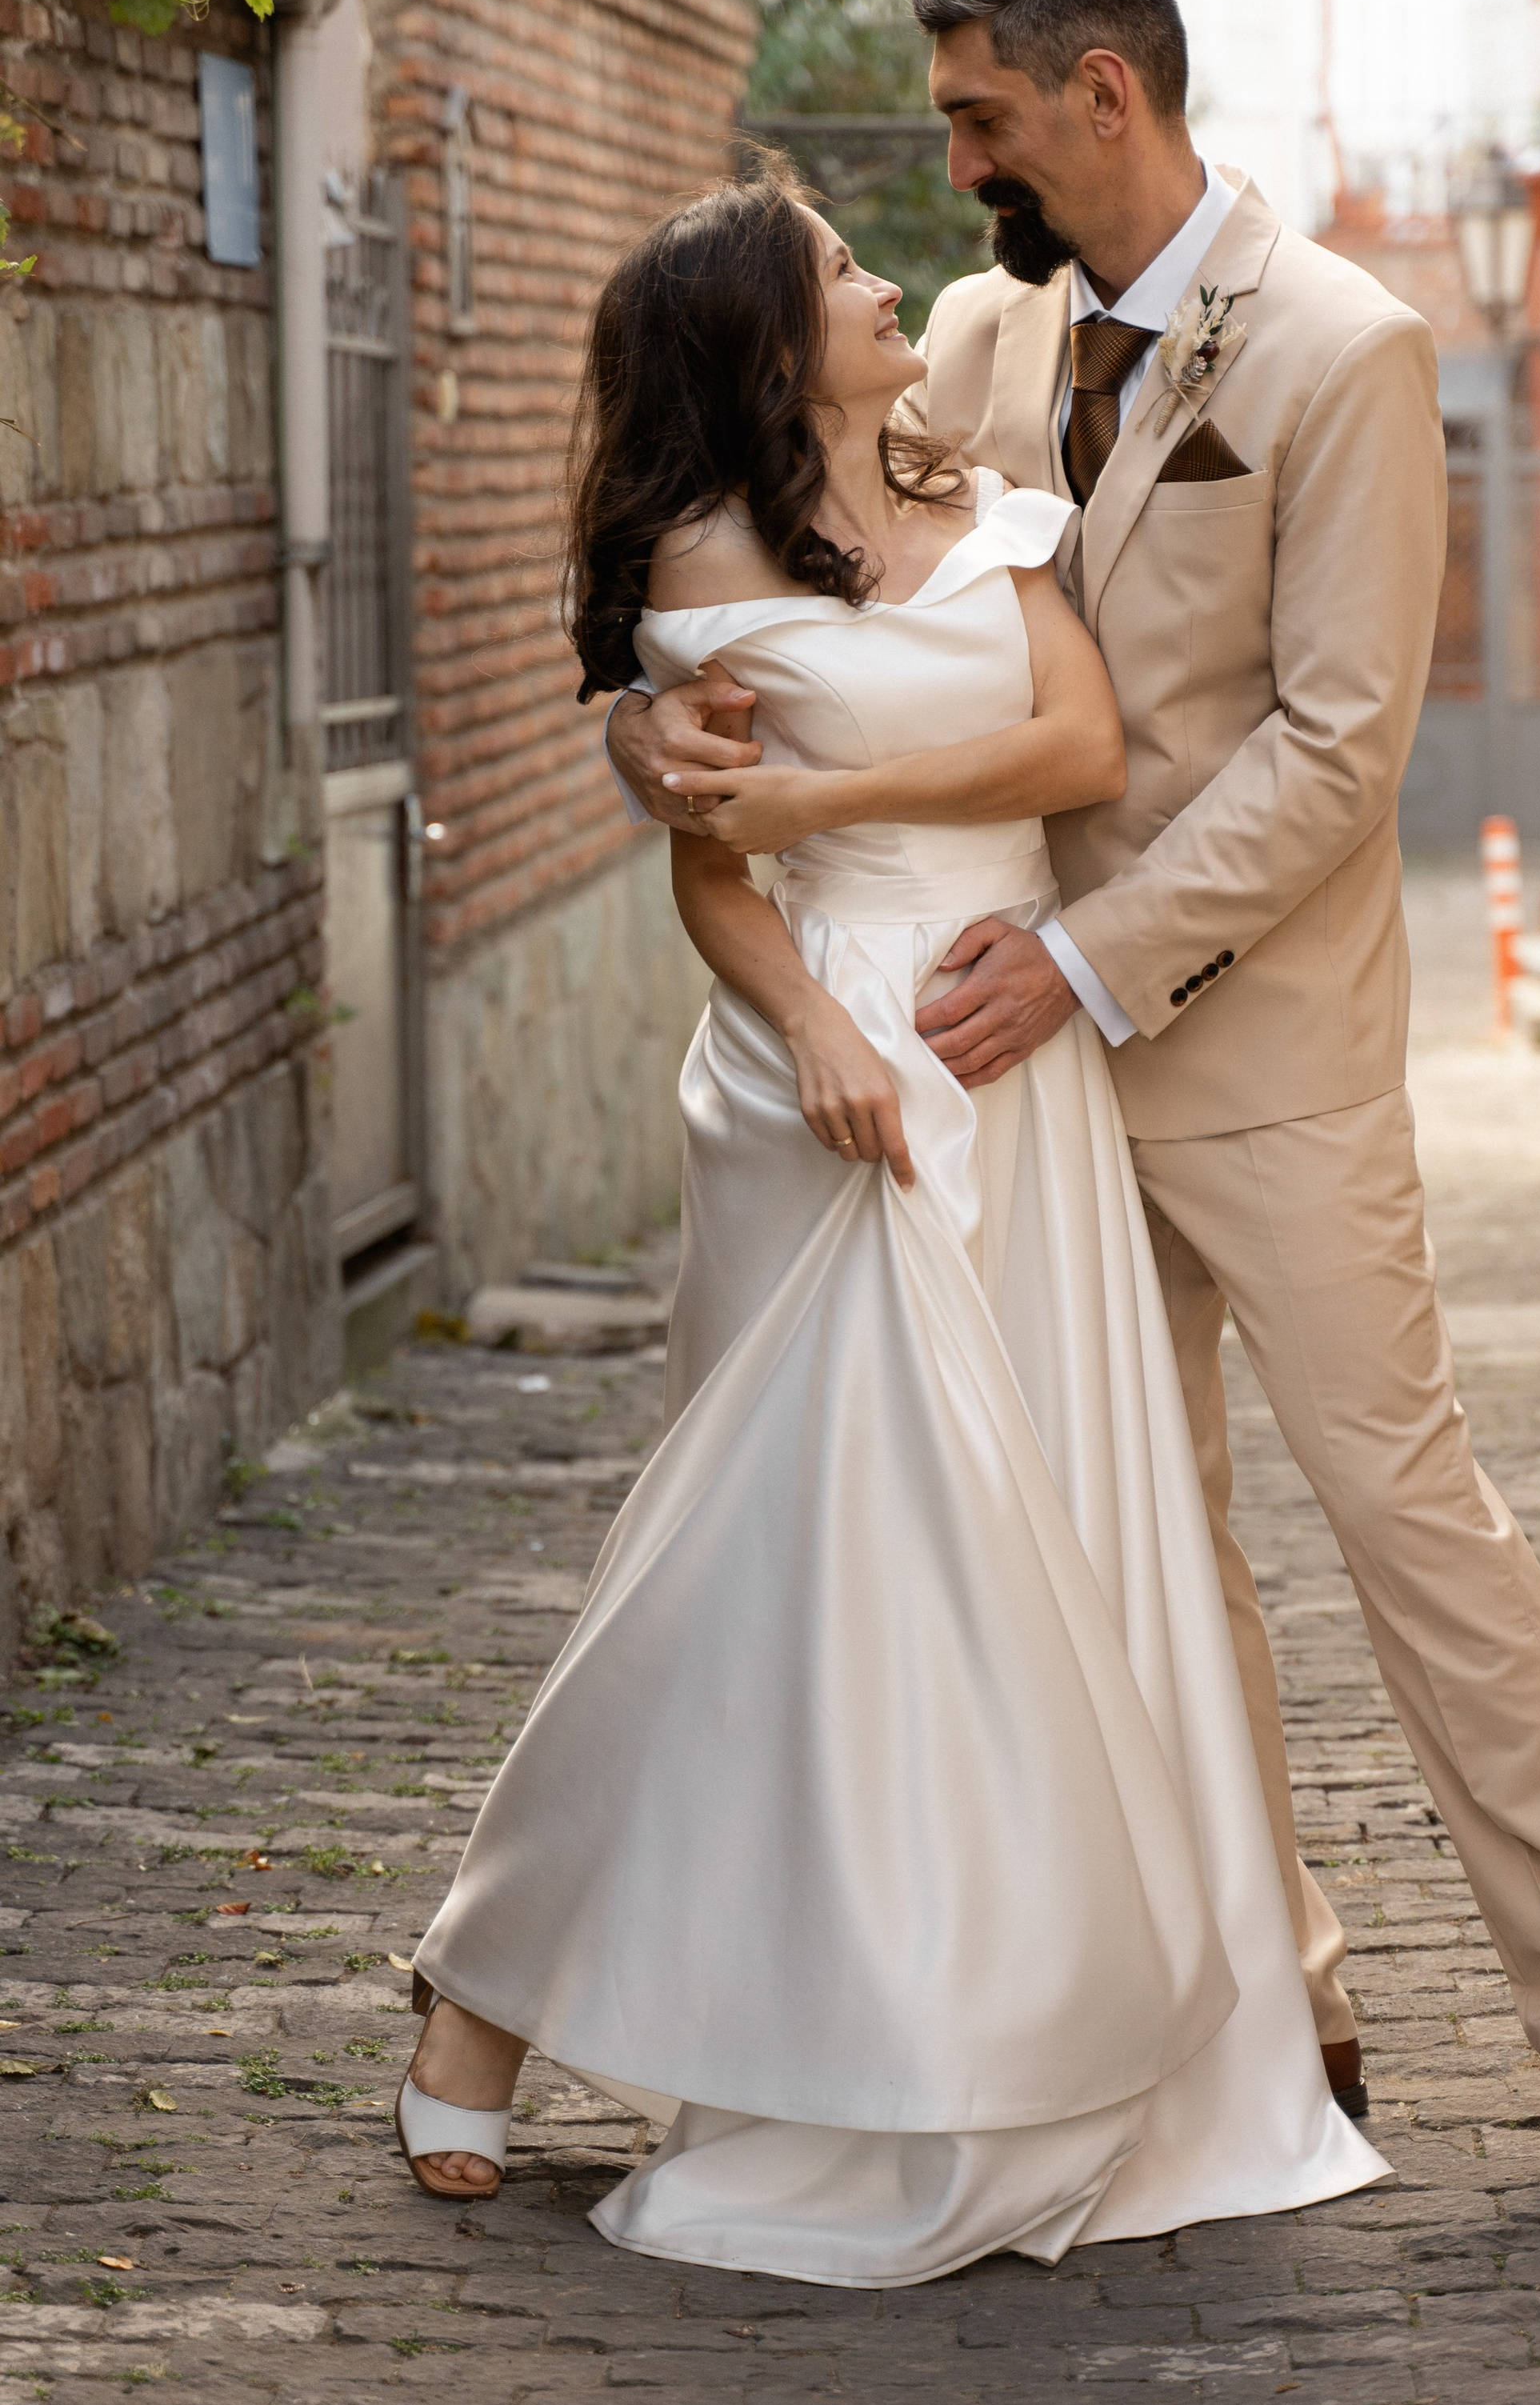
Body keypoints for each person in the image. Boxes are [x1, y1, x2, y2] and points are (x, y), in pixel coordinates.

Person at [609, 0, 1540, 2219]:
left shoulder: (1347, 344)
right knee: (1143, 1557)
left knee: (1412, 1526)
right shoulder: (981, 346)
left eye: (980, 117)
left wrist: (1091, 960)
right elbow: (808, 565)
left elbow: (1339, 748)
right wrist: (655, 716)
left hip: (1253, 1054)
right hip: (1009, 1079)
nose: (960, 164)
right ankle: (1267, 1997)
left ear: (1100, 92)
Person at [394, 166, 1388, 2284]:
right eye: (840, 274)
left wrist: (823, 799)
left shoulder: (988, 506)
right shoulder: (696, 564)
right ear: (769, 348)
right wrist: (822, 1032)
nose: (883, 287)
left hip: (1016, 1057)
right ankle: (497, 1987)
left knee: (1021, 1565)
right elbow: (711, 882)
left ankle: (1003, 2020)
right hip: (829, 1072)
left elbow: (1077, 740)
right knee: (793, 1553)